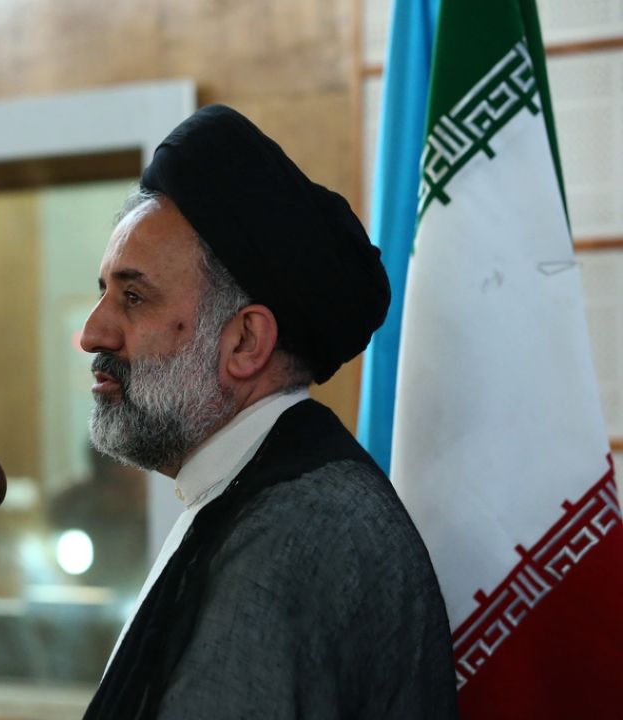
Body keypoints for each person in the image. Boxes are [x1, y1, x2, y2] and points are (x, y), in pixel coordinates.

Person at [80, 105, 457, 719]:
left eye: (134, 296)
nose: (93, 333)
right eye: (104, 292)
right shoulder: (254, 497)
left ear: (246, 342)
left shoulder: (299, 533)